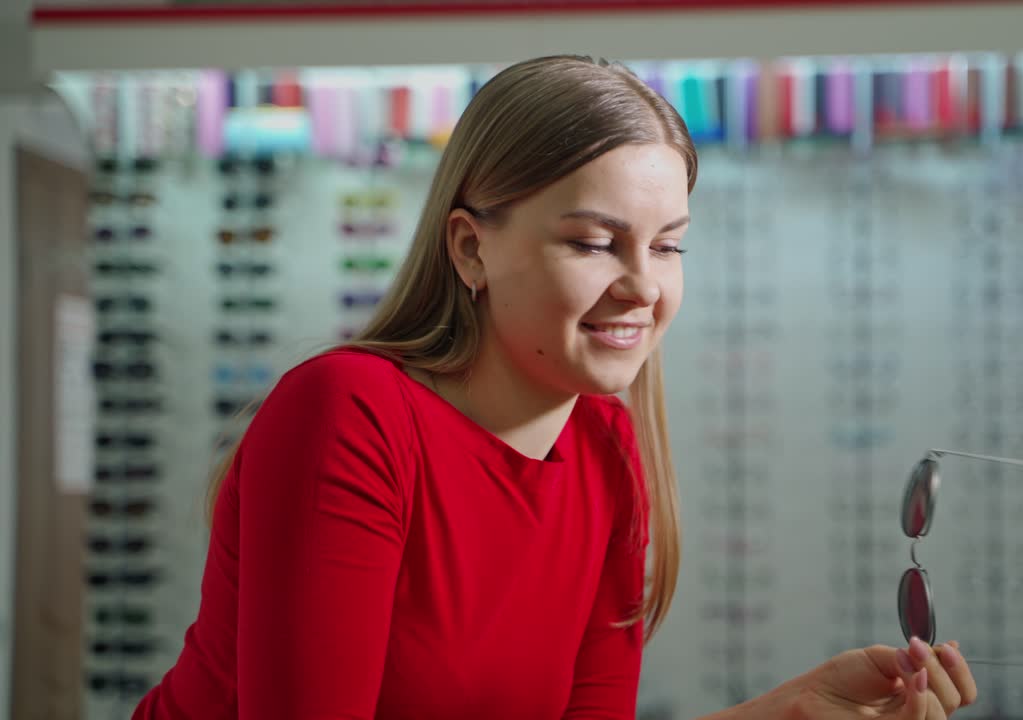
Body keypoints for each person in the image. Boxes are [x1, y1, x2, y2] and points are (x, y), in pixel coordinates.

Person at [132, 55, 978, 719]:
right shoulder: (350, 414)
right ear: (470, 249)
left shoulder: (607, 452)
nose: (644, 287)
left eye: (669, 245)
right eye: (593, 242)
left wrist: (784, 716)